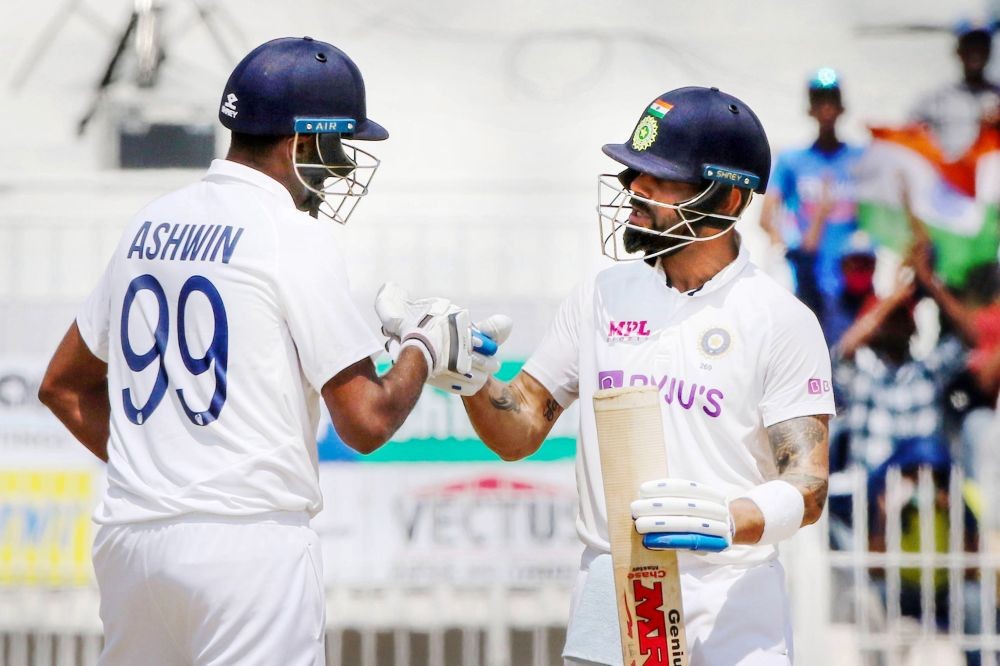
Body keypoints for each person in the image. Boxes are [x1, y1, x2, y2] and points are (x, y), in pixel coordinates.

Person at [37, 37, 480, 666]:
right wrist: (423, 343)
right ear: (299, 144)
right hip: (246, 552)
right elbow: (367, 420)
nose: (342, 169)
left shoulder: (150, 220)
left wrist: (165, 471)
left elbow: (63, 385)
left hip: (131, 542)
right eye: (336, 149)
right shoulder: (290, 235)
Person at [382, 87, 836, 665]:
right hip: (614, 582)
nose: (633, 189)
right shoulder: (601, 295)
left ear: (726, 198)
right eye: (633, 171)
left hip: (732, 602)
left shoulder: (779, 319)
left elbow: (809, 486)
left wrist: (729, 519)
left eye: (659, 177)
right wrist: (470, 377)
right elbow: (520, 430)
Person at [759, 68, 866, 325]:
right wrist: (783, 246)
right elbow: (767, 215)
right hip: (805, 274)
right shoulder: (792, 160)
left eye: (832, 101)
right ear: (810, 109)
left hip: (850, 275)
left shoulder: (861, 159)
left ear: (842, 108)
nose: (826, 109)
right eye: (819, 102)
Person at [909, 21, 1000, 160]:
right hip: (950, 176)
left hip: (991, 176)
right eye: (969, 47)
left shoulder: (997, 95)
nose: (975, 54)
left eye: (981, 47)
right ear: (958, 51)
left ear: (989, 51)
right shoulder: (935, 98)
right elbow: (909, 139)